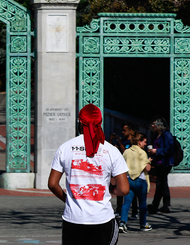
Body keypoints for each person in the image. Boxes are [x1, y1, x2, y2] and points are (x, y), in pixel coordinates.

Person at [48, 104, 129, 245]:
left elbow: (52, 184)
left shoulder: (65, 148)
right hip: (102, 219)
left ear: (80, 122)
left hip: (73, 219)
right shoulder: (111, 150)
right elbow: (124, 189)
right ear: (100, 123)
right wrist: (110, 190)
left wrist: (68, 200)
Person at [119, 134, 152, 233]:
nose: (145, 144)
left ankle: (122, 223)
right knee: (142, 204)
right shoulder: (142, 153)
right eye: (144, 142)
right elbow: (147, 168)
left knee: (126, 203)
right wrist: (149, 161)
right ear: (139, 142)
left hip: (128, 180)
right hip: (140, 181)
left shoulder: (126, 152)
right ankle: (143, 224)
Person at [147, 116, 175, 214]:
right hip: (158, 162)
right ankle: (165, 205)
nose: (152, 125)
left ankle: (156, 205)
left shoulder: (166, 135)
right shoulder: (157, 135)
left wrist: (157, 151)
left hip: (164, 163)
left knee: (160, 183)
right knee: (162, 183)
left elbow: (169, 149)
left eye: (154, 123)